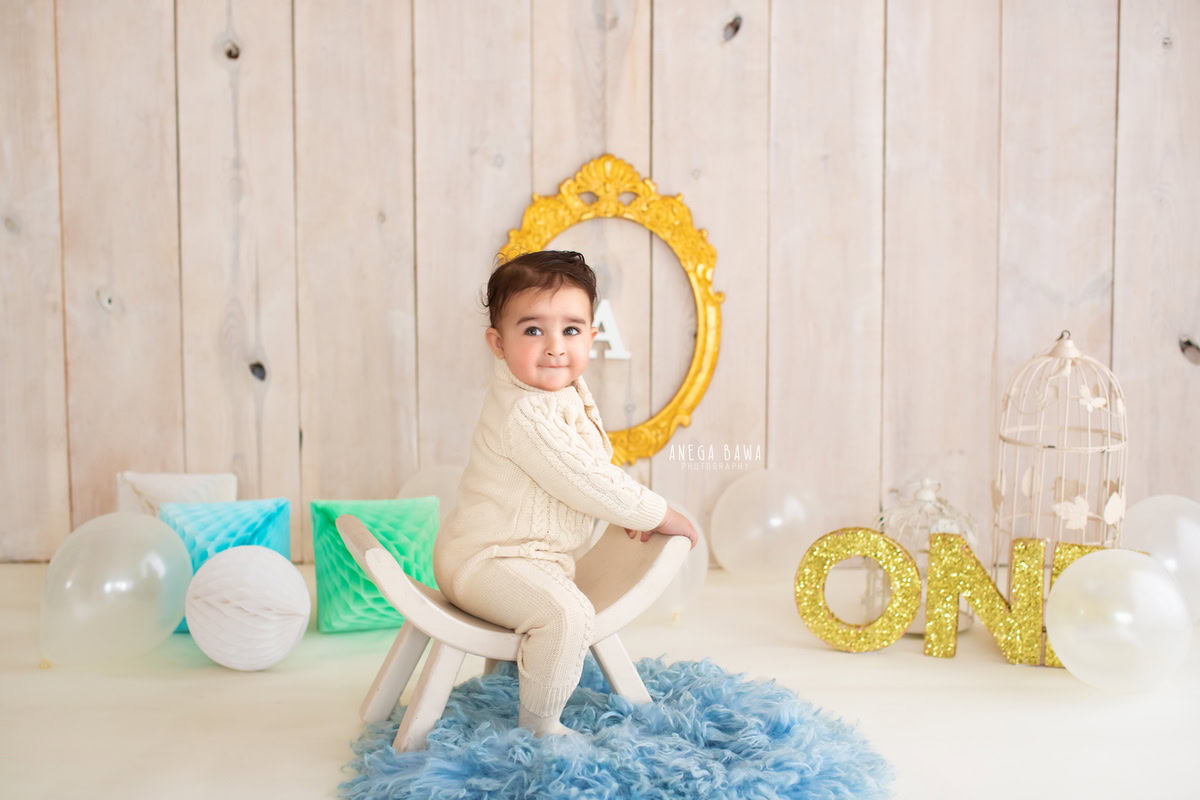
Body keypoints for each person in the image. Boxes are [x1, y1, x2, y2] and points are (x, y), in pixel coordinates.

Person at [432, 249, 698, 738]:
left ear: (592, 337)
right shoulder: (526, 413)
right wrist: (656, 513)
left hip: (528, 559)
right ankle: (540, 727)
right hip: (486, 561)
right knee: (567, 614)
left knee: (566, 602)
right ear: (498, 342)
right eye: (533, 330)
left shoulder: (562, 391)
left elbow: (588, 465)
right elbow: (586, 480)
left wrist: (619, 511)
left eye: (571, 330)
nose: (555, 346)